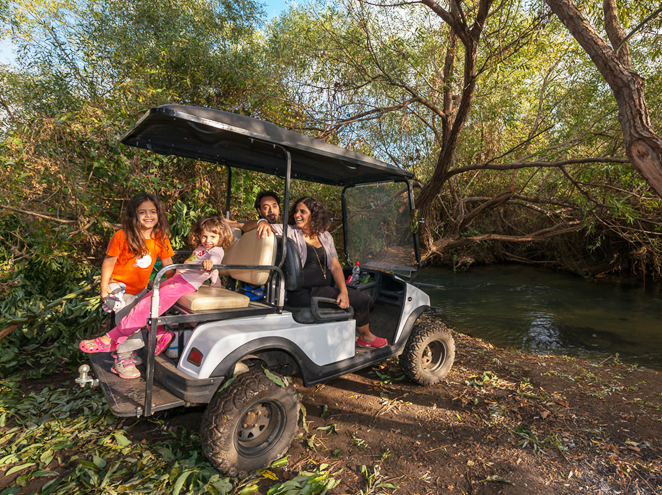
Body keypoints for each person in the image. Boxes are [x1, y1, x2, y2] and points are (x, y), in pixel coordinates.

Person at [80, 215, 234, 378]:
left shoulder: (215, 251)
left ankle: (111, 338)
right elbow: (214, 270)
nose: (207, 240)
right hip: (178, 279)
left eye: (212, 237)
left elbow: (214, 261)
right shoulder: (202, 248)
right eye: (204, 236)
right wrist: (216, 284)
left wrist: (209, 264)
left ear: (221, 237)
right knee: (148, 299)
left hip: (183, 284)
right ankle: (160, 334)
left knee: (145, 308)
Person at [247, 196, 387, 348]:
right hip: (303, 293)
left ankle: (349, 333)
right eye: (295, 211)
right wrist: (262, 222)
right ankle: (365, 337)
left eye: (302, 212)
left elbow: (335, 266)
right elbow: (244, 225)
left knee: (365, 298)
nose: (297, 215)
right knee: (363, 301)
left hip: (325, 289)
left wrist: (343, 291)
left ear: (314, 215)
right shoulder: (289, 231)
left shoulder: (325, 236)